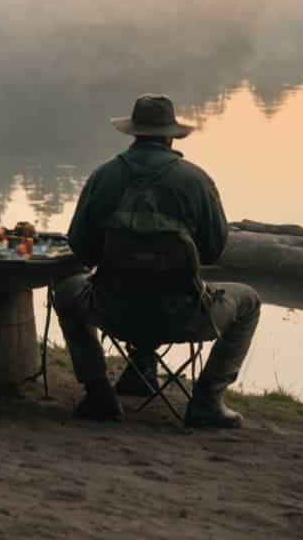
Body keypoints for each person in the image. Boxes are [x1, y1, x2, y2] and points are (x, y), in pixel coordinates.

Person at [52, 94, 261, 427]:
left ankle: (99, 393)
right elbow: (212, 251)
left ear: (133, 133)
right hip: (183, 314)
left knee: (64, 291)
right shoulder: (196, 181)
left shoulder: (103, 177)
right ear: (170, 136)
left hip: (112, 309)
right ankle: (207, 399)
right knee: (249, 301)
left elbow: (81, 248)